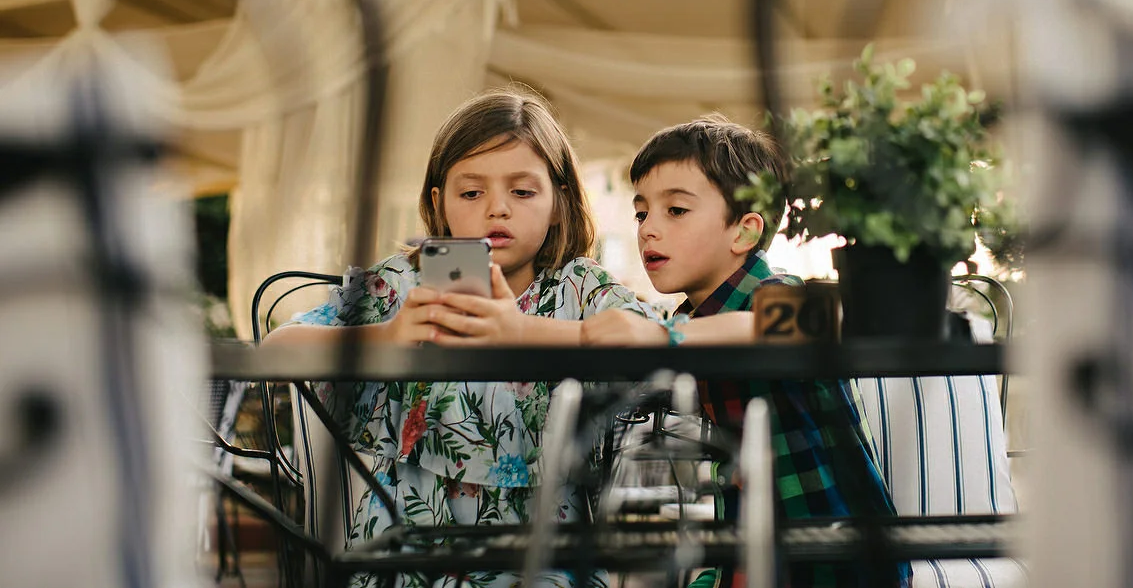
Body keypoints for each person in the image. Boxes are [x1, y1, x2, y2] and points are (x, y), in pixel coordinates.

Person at [264, 89, 659, 588]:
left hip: (545, 545)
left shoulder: (578, 287)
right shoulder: (404, 286)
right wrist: (388, 336)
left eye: (523, 191)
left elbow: (651, 338)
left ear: (559, 204)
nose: (498, 210)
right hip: (408, 545)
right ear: (440, 204)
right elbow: (278, 349)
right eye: (472, 193)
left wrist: (530, 332)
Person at [581, 116, 906, 588]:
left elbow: (816, 322)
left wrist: (663, 340)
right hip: (753, 549)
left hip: (837, 562)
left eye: (675, 210)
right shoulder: (693, 318)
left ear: (744, 233)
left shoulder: (776, 293)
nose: (648, 229)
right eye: (641, 213)